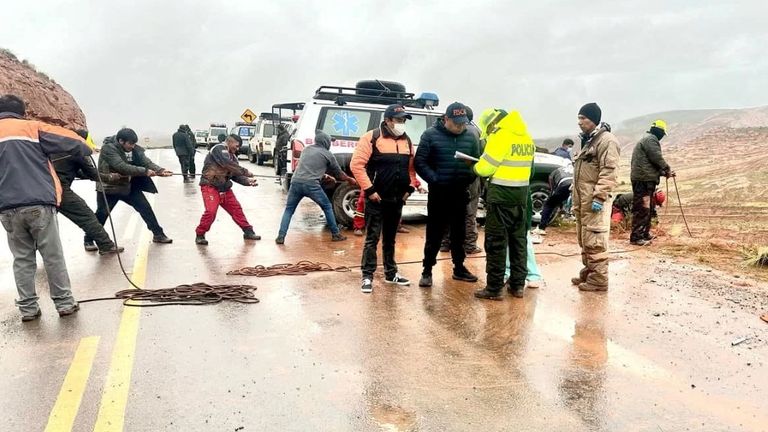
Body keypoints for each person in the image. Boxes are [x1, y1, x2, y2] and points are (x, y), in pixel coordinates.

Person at [0, 94, 90, 321]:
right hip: (38, 203)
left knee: (22, 259)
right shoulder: (32, 128)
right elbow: (75, 141)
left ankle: (28, 309)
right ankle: (65, 303)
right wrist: (87, 150)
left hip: (7, 208)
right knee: (52, 256)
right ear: (21, 111)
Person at [351, 104, 418, 294]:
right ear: (388, 120)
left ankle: (391, 273)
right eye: (398, 120)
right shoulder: (371, 138)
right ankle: (367, 276)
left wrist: (410, 188)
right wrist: (370, 191)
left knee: (390, 239)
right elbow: (356, 165)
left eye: (404, 120)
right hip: (377, 199)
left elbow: (410, 169)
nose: (402, 123)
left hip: (397, 200)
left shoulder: (407, 141)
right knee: (372, 239)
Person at [471, 108, 536, 300]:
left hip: (501, 197)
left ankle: (494, 288)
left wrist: (474, 166)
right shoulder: (526, 136)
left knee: (496, 242)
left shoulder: (501, 136)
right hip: (521, 197)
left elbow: (485, 168)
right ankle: (517, 286)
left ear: (493, 123)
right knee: (518, 242)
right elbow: (530, 170)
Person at [414, 102, 480, 288]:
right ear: (446, 119)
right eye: (457, 123)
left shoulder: (470, 137)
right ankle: (427, 270)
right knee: (435, 233)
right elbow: (420, 162)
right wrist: (435, 179)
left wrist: (470, 175)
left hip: (460, 191)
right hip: (439, 193)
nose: (460, 127)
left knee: (459, 233)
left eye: (463, 123)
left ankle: (459, 267)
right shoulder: (430, 135)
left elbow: (477, 162)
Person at [89, 128, 174, 245]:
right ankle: (88, 240)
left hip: (128, 186)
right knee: (102, 214)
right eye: (130, 144)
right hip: (109, 188)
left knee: (145, 209)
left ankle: (158, 234)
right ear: (121, 141)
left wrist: (160, 170)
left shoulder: (135, 149)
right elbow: (122, 167)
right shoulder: (108, 149)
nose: (133, 146)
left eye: (134, 143)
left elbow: (146, 162)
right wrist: (145, 171)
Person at [571, 103, 620, 292]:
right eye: (579, 118)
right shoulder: (588, 140)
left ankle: (599, 278)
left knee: (594, 238)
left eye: (583, 118)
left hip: (594, 199)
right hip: (582, 199)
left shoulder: (607, 141)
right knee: (584, 237)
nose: (579, 122)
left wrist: (599, 197)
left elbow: (609, 171)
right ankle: (590, 271)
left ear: (594, 120)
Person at [51, 129, 124, 255]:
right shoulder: (76, 150)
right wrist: (110, 177)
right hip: (59, 190)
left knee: (44, 225)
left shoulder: (56, 147)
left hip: (41, 190)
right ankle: (105, 245)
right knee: (87, 217)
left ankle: (33, 254)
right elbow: (92, 173)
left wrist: (83, 175)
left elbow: (70, 169)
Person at [276, 131, 356, 244]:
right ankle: (335, 234)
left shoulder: (306, 150)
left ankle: (281, 236)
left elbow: (307, 168)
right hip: (311, 185)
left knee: (289, 210)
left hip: (295, 182)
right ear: (326, 142)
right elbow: (340, 174)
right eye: (329, 141)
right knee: (327, 207)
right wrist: (350, 179)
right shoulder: (328, 154)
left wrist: (325, 176)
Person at [195, 134, 261, 245]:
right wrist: (246, 172)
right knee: (211, 212)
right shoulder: (218, 149)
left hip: (225, 188)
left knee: (237, 210)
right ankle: (200, 234)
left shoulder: (233, 157)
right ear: (230, 142)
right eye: (237, 145)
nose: (238, 148)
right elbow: (226, 164)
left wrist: (247, 181)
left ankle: (248, 231)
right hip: (210, 186)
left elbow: (235, 175)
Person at [439, 106, 484, 255]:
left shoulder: (445, 130)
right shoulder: (476, 132)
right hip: (470, 177)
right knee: (469, 211)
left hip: (449, 176)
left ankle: (446, 243)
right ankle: (470, 244)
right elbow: (482, 155)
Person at [630, 120, 673, 245]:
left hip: (645, 179)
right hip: (643, 180)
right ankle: (637, 237)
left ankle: (644, 233)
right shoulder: (651, 140)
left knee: (648, 208)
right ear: (659, 131)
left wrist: (664, 173)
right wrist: (667, 169)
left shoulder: (647, 139)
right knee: (643, 208)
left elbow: (650, 165)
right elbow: (656, 158)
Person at [532, 163, 574, 235]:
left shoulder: (553, 173)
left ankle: (541, 228)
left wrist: (556, 201)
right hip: (576, 183)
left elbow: (553, 190)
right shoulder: (573, 169)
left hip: (563, 184)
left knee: (549, 204)